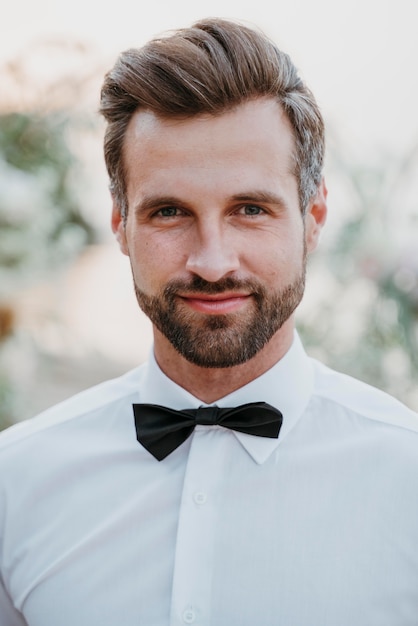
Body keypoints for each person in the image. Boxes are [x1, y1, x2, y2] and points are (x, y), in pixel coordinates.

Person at [1, 17, 417, 626]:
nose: (213, 262)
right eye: (170, 212)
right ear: (120, 225)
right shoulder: (14, 483)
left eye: (251, 209)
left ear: (315, 216)